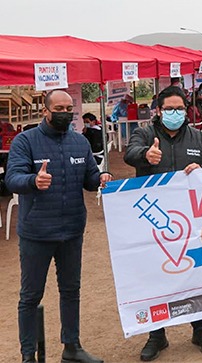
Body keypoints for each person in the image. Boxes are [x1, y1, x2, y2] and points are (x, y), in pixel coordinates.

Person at [6, 90, 112, 363]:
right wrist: (33, 181)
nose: (65, 112)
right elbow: (13, 178)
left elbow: (89, 179)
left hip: (72, 230)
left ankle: (72, 346)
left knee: (70, 290)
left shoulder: (80, 142)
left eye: (69, 108)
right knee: (30, 296)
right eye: (59, 108)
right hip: (37, 233)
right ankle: (28, 355)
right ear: (46, 111)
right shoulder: (25, 141)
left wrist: (101, 177)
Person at [124, 86, 202, 361]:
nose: (175, 113)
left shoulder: (200, 138)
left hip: (192, 220)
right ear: (158, 110)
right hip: (154, 222)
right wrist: (146, 155)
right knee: (155, 276)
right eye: (169, 109)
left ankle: (200, 328)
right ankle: (157, 334)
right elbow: (129, 154)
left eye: (179, 109)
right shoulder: (144, 134)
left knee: (196, 273)